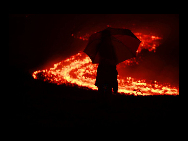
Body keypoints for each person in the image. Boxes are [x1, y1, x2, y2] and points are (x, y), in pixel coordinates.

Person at [94, 29, 118, 96]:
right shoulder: (109, 46)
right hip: (107, 70)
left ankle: (102, 103)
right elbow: (115, 59)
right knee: (106, 89)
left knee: (104, 90)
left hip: (105, 69)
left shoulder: (100, 46)